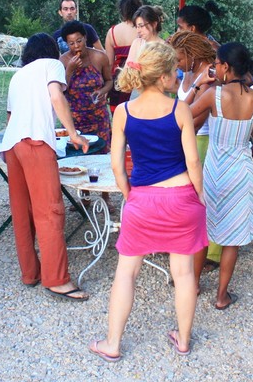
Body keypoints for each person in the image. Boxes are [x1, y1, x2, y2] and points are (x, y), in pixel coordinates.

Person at [88, 41, 206, 361]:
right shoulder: (178, 109)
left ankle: (112, 343)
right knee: (183, 274)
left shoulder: (123, 111)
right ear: (165, 77)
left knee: (126, 273)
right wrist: (200, 194)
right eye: (175, 71)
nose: (177, 75)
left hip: (143, 200)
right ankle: (182, 340)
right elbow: (193, 162)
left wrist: (129, 194)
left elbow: (116, 164)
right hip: (181, 197)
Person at [0, 33, 90, 301]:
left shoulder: (18, 75)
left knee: (22, 211)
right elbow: (55, 96)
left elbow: (10, 116)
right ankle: (57, 279)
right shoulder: (52, 64)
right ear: (52, 50)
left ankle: (30, 273)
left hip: (12, 144)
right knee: (50, 210)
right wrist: (73, 133)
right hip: (35, 141)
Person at [190, 42, 253, 309]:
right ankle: (222, 296)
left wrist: (195, 87)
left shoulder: (214, 95)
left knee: (204, 231)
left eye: (216, 63)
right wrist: (249, 131)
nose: (215, 68)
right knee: (233, 239)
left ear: (226, 66)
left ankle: (193, 286)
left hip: (215, 171)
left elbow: (185, 116)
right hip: (241, 172)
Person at [170, 30, 220, 268]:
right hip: (188, 137)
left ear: (192, 55)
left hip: (203, 140)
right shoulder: (191, 73)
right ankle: (192, 246)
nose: (177, 64)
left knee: (204, 197)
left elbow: (194, 119)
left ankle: (210, 253)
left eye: (179, 59)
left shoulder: (210, 75)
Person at [59, 20, 112, 148]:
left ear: (85, 38)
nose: (76, 46)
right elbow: (60, 89)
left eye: (79, 41)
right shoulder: (63, 61)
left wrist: (102, 91)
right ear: (67, 44)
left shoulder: (99, 57)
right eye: (71, 43)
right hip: (74, 120)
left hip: (98, 117)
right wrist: (70, 70)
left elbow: (109, 81)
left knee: (101, 154)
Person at [104, 0, 143, 111]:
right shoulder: (143, 30)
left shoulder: (112, 32)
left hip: (119, 78)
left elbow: (109, 63)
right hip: (140, 75)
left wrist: (106, 86)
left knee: (120, 115)